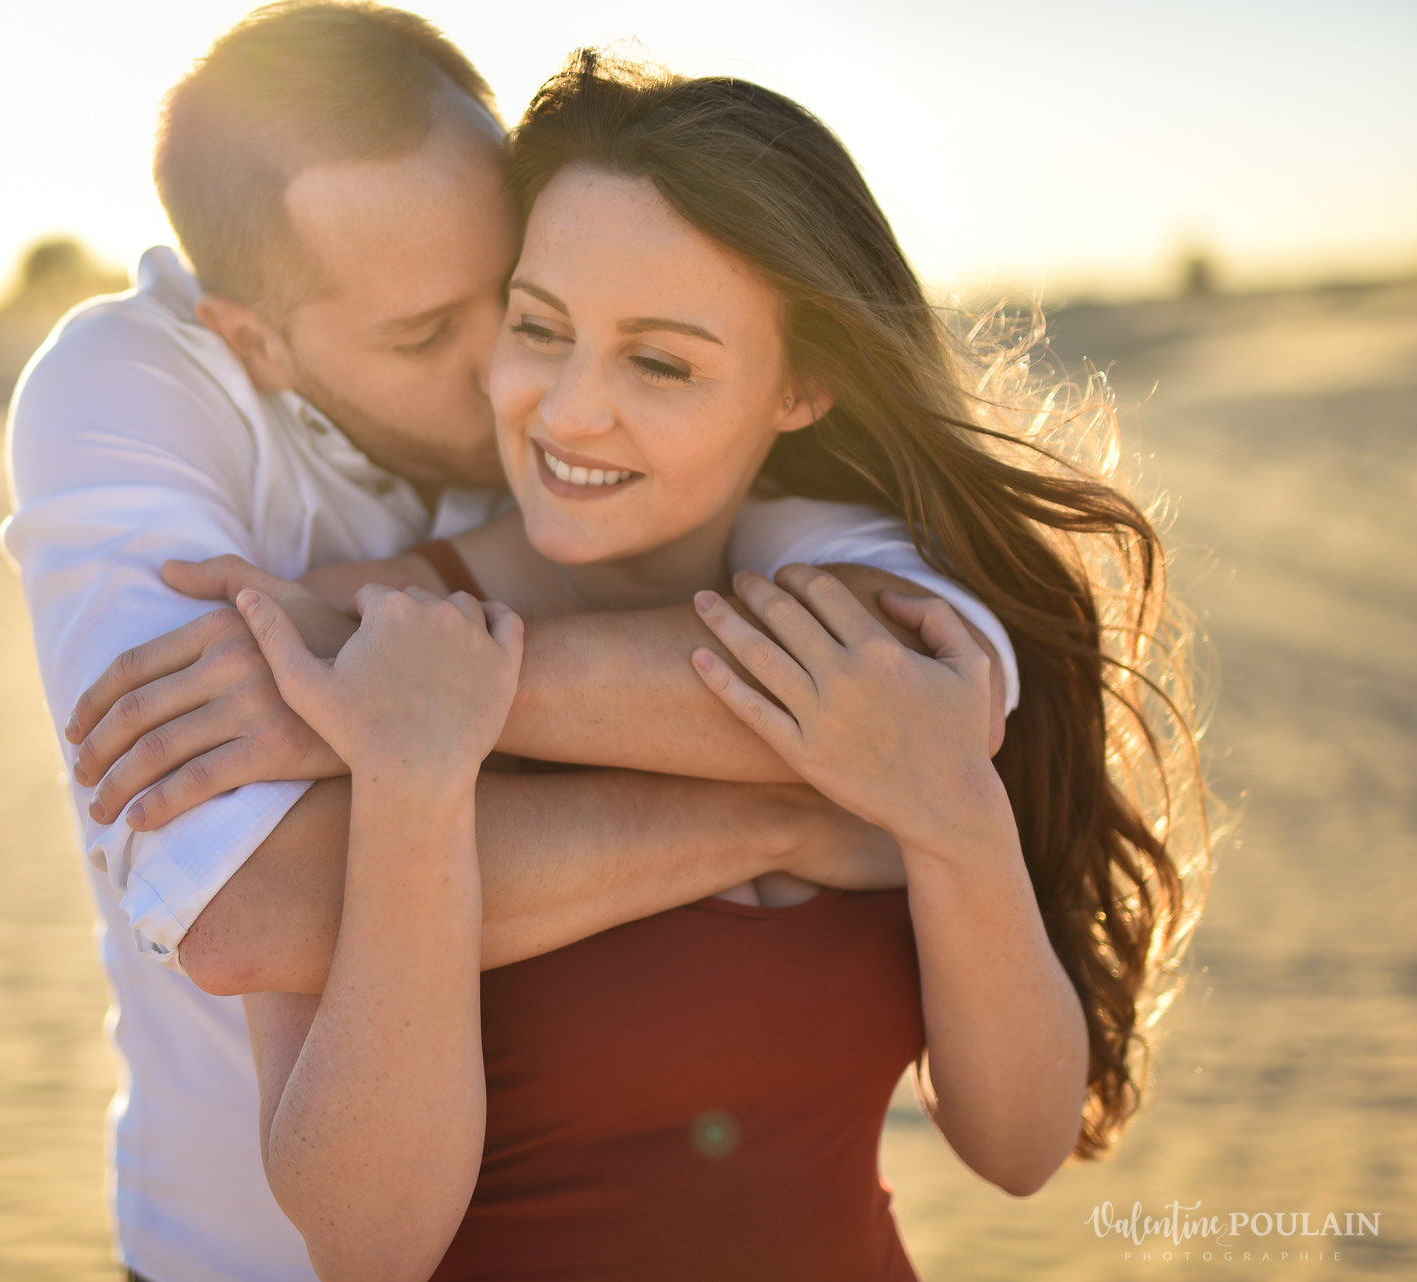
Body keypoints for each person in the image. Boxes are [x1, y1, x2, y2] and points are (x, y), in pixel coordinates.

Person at [1, 5, 1023, 1280]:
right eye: (432, 334)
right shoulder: (132, 394)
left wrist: (393, 682)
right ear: (257, 342)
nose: (518, 371)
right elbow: (246, 899)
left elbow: (918, 680)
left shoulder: (592, 391)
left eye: (520, 295)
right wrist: (791, 819)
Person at [159, 48, 1213, 1282]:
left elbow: (1020, 1142)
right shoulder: (364, 641)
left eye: (658, 362)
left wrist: (953, 817)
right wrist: (415, 777)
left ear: (803, 383)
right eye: (537, 327)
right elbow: (366, 1241)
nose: (566, 412)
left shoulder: (875, 670)